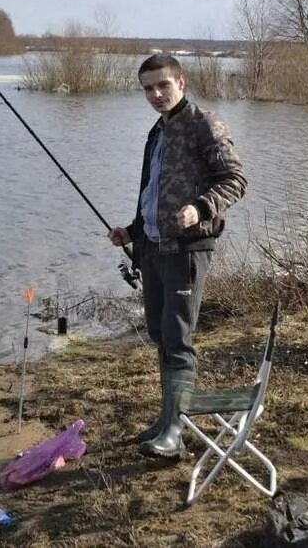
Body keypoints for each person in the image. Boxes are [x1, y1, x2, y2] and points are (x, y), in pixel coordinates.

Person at [108, 53, 247, 458]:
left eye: (162, 85)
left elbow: (236, 180)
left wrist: (200, 208)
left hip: (188, 249)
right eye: (148, 88)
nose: (155, 94)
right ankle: (168, 416)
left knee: (178, 337)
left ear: (180, 82)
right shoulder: (157, 131)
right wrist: (131, 231)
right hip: (153, 248)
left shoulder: (204, 123)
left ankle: (175, 431)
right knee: (160, 334)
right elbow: (150, 191)